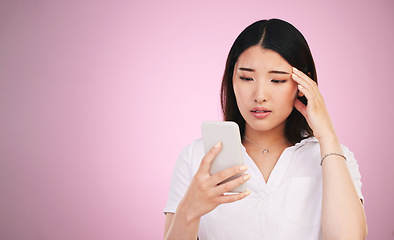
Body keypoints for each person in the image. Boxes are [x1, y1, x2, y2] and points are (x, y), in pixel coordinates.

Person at [163, 19, 367, 240]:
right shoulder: (196, 157)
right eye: (246, 78)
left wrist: (327, 135)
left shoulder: (335, 156)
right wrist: (189, 211)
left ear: (302, 86)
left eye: (277, 80)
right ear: (231, 80)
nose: (259, 95)